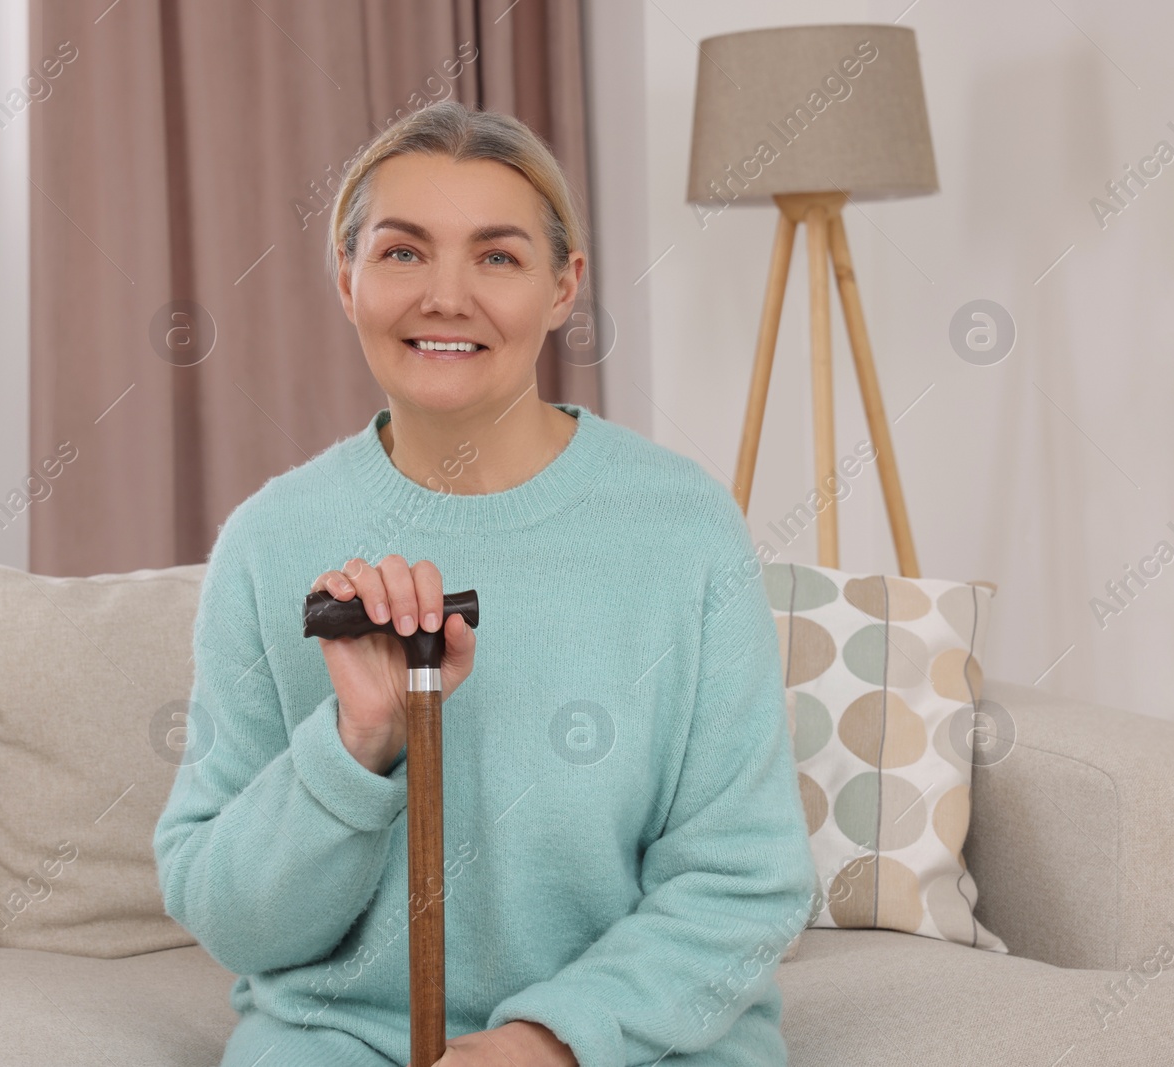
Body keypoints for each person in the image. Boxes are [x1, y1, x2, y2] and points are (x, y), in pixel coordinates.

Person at [152, 99, 817, 1067]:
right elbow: (230, 917)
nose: (445, 296)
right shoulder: (269, 539)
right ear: (346, 277)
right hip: (345, 1042)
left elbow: (746, 880)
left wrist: (546, 1039)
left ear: (562, 287)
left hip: (623, 1047)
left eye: (497, 256)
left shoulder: (681, 528)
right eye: (402, 252)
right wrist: (354, 745)